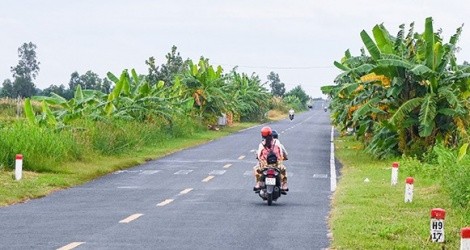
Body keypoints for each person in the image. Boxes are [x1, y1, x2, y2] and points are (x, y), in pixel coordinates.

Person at [253, 126, 289, 194]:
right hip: (276, 165)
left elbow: (258, 156)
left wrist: (260, 159)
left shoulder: (262, 144)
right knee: (283, 170)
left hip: (264, 165)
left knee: (256, 169)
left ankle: (258, 183)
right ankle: (284, 185)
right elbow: (281, 153)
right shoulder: (277, 142)